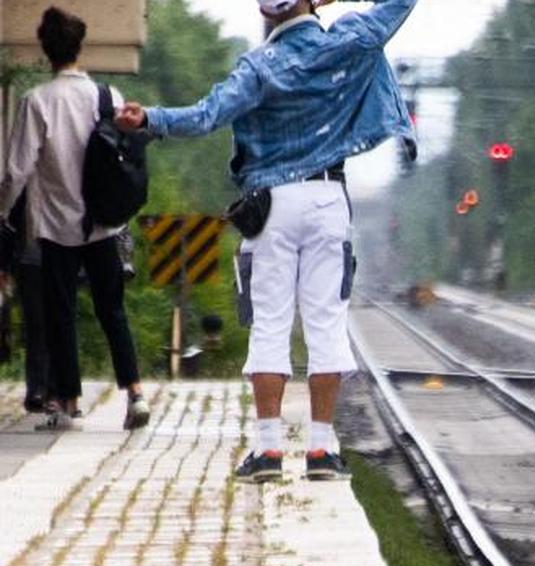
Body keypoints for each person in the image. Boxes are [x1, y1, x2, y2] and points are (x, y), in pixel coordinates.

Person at [116, 0, 418, 482]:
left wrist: (149, 117)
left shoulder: (259, 66)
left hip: (270, 205)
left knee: (271, 324)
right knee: (326, 323)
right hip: (326, 199)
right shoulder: (350, 40)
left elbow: (206, 115)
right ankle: (322, 450)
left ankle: (270, 451)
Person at [0, 7, 150, 431]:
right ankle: (135, 394)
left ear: (45, 50)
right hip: (104, 223)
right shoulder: (109, 97)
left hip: (55, 228)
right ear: (79, 46)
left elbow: (16, 170)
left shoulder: (37, 102)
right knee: (113, 311)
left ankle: (68, 403)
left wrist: (2, 213)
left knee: (59, 314)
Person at [1, 193, 52, 414]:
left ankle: (53, 387)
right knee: (37, 322)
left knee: (53, 321)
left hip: (62, 248)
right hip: (31, 251)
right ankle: (39, 388)